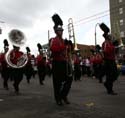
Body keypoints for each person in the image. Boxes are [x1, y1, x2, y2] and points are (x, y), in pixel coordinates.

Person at [50, 14, 72, 106]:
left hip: (64, 62)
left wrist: (69, 46)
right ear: (56, 31)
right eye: (59, 30)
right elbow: (54, 50)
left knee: (69, 80)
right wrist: (64, 46)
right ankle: (58, 98)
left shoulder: (63, 40)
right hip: (57, 63)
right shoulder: (53, 40)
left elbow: (68, 51)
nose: (61, 31)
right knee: (57, 82)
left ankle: (63, 95)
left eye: (62, 30)